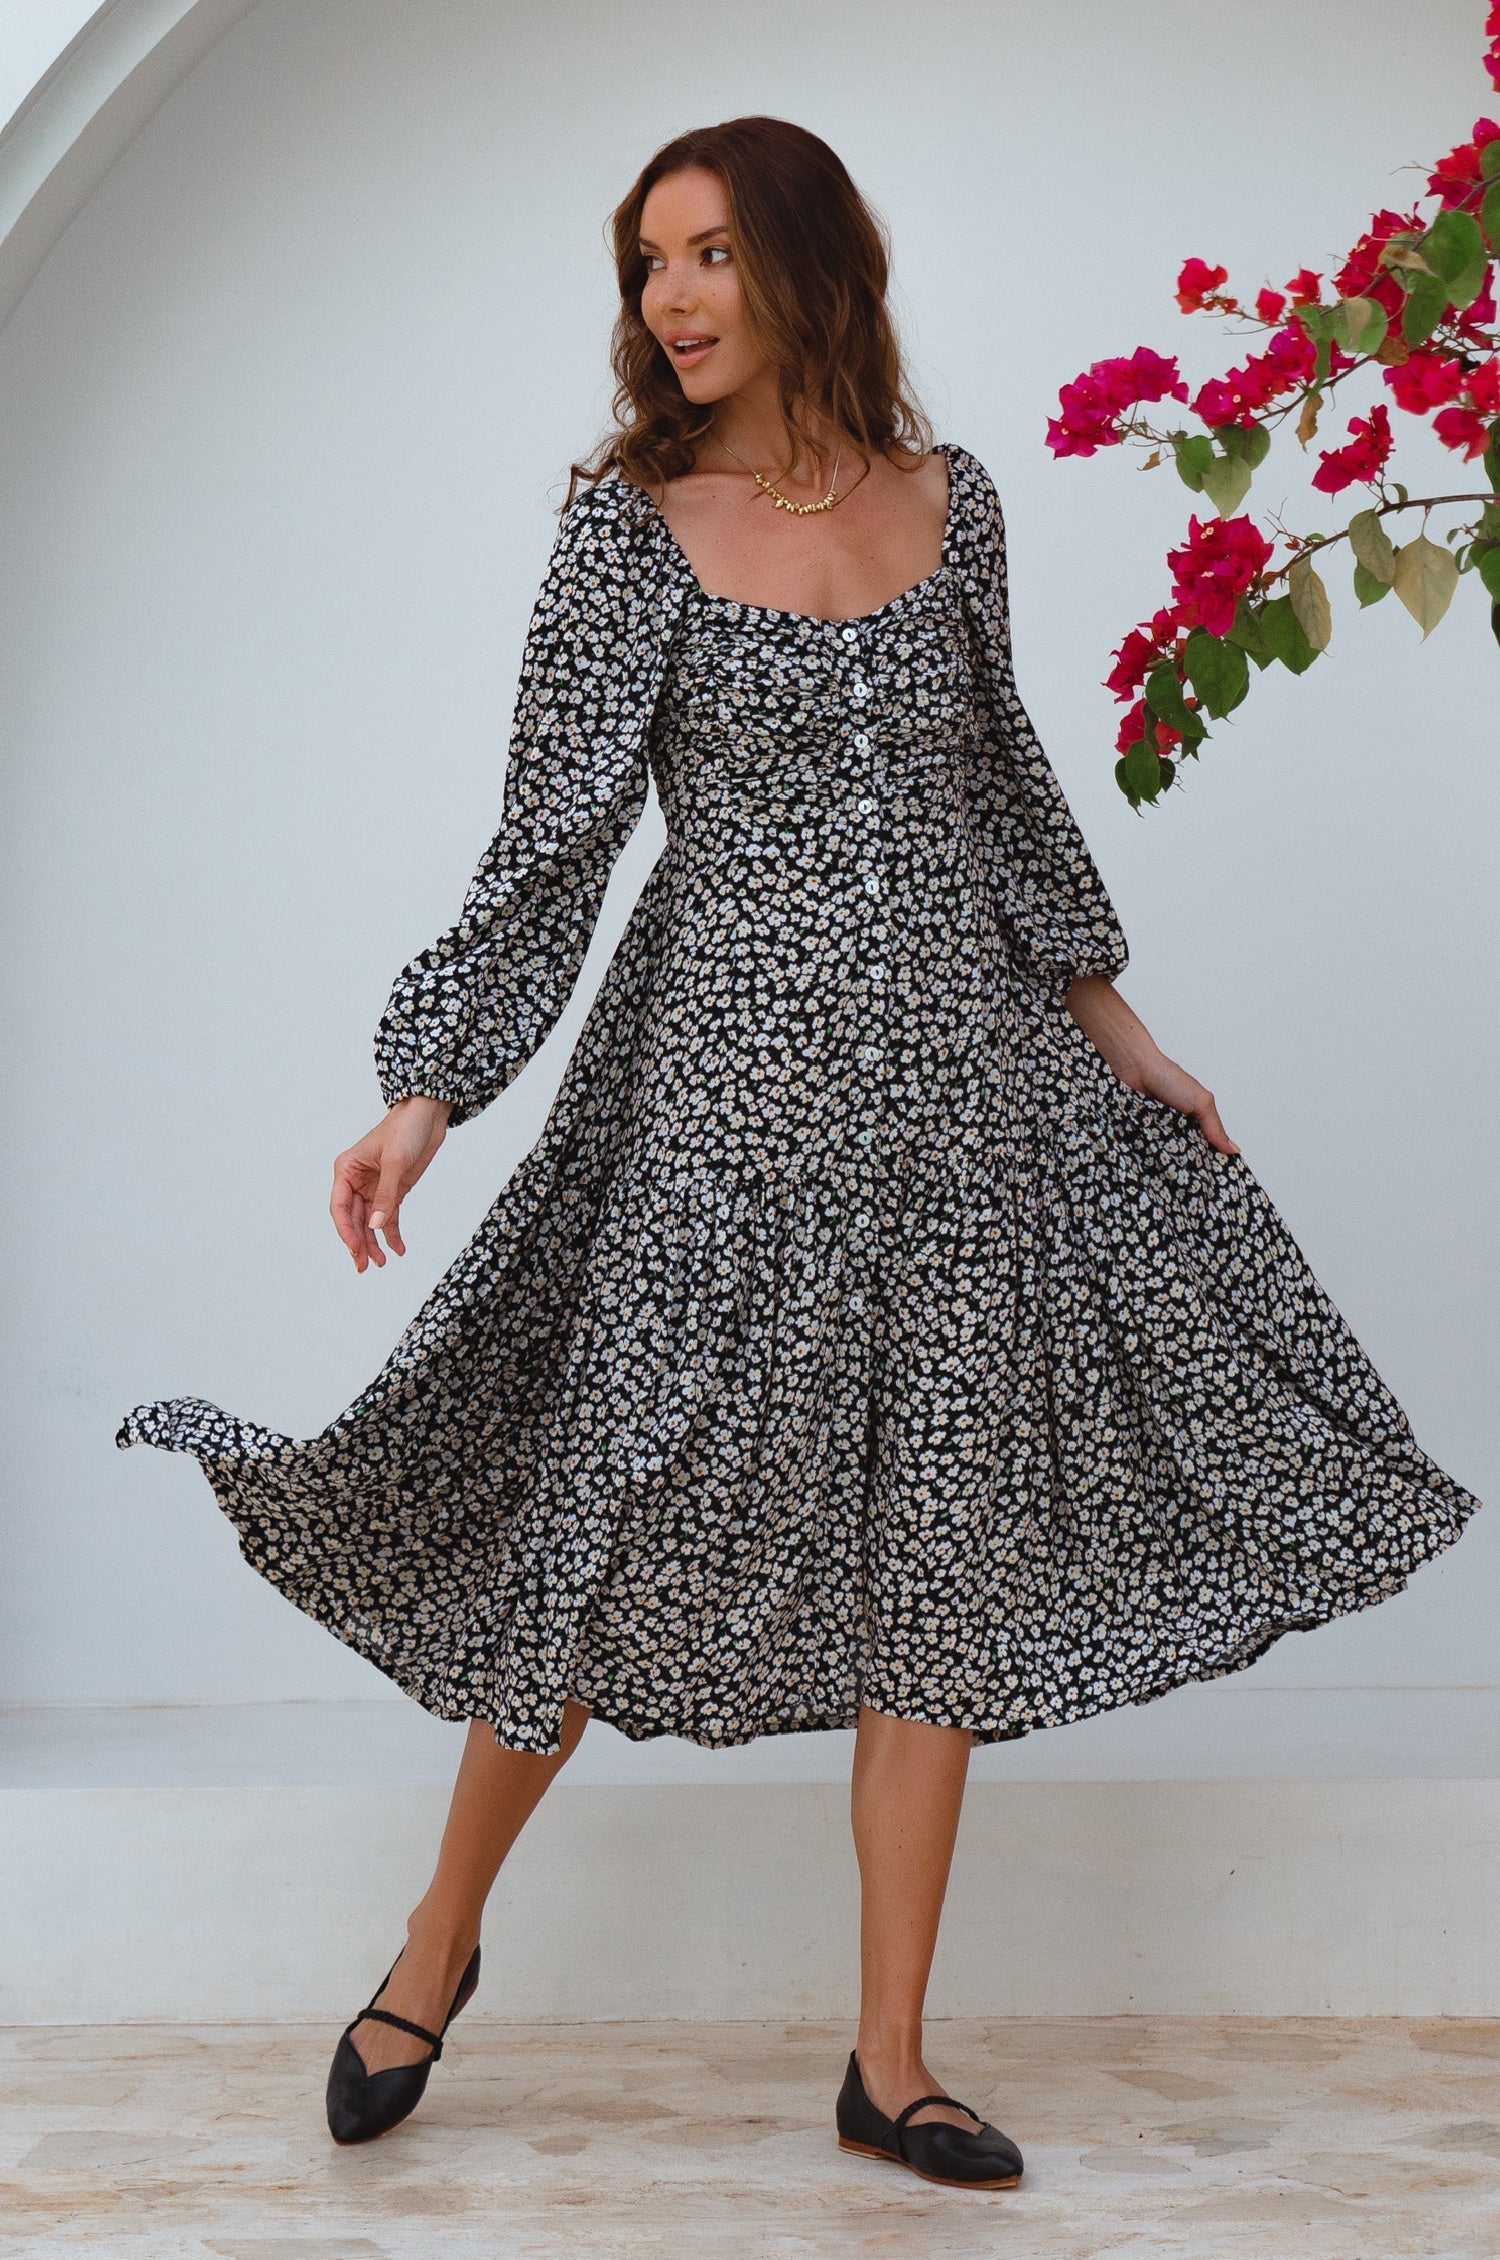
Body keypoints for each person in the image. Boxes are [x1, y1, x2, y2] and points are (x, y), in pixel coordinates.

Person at [118, 115, 1479, 2193]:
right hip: (716, 1109)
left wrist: (1121, 1031)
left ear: (808, 263)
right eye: (648, 261)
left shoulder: (958, 500)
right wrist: (427, 1088)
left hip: (963, 1100)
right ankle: (437, 1939)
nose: (669, 298)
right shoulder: (626, 534)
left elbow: (1004, 787)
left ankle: (891, 2060)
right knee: (597, 1514)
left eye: (711, 254)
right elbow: (552, 842)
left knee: (939, 1550)